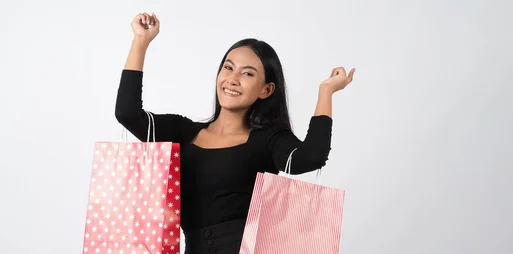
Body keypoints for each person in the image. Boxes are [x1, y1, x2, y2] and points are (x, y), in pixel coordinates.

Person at [115, 13, 355, 254]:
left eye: (247, 73)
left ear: (266, 89)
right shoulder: (183, 132)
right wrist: (141, 41)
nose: (233, 79)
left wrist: (326, 92)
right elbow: (127, 113)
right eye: (228, 68)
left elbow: (312, 157)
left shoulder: (268, 140)